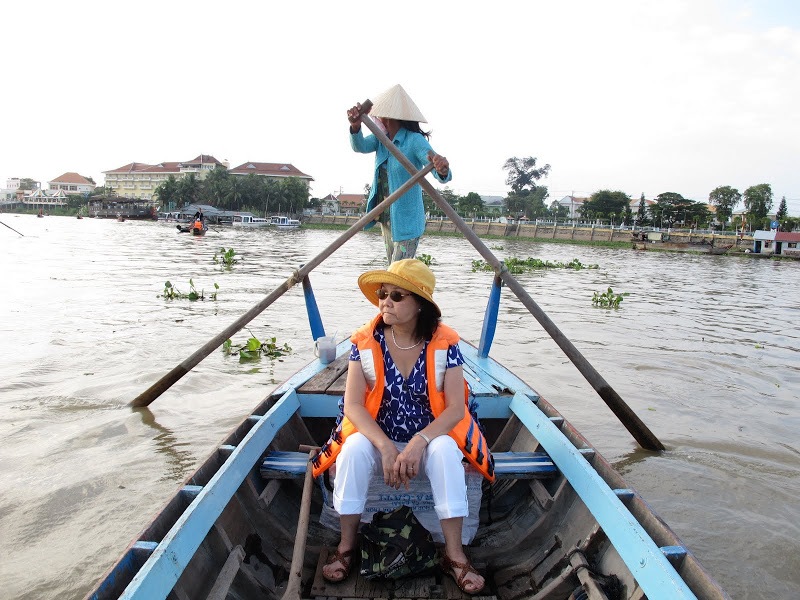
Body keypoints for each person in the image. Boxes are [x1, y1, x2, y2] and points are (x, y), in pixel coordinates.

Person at [313, 259, 492, 594]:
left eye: (397, 295)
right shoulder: (366, 341)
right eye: (383, 294)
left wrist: (418, 443)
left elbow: (455, 409)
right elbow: (353, 405)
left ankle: (454, 556)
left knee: (445, 453)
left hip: (430, 435)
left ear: (420, 305)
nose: (385, 302)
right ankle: (347, 546)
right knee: (351, 451)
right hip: (379, 435)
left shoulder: (445, 345)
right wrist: (384, 446)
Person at [348, 84, 451, 264]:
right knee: (393, 270)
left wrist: (442, 169)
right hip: (387, 217)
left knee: (399, 270)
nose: (376, 118)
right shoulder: (381, 139)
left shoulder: (413, 141)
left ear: (387, 117)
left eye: (379, 114)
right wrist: (355, 127)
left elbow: (437, 168)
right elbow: (360, 146)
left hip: (407, 220)